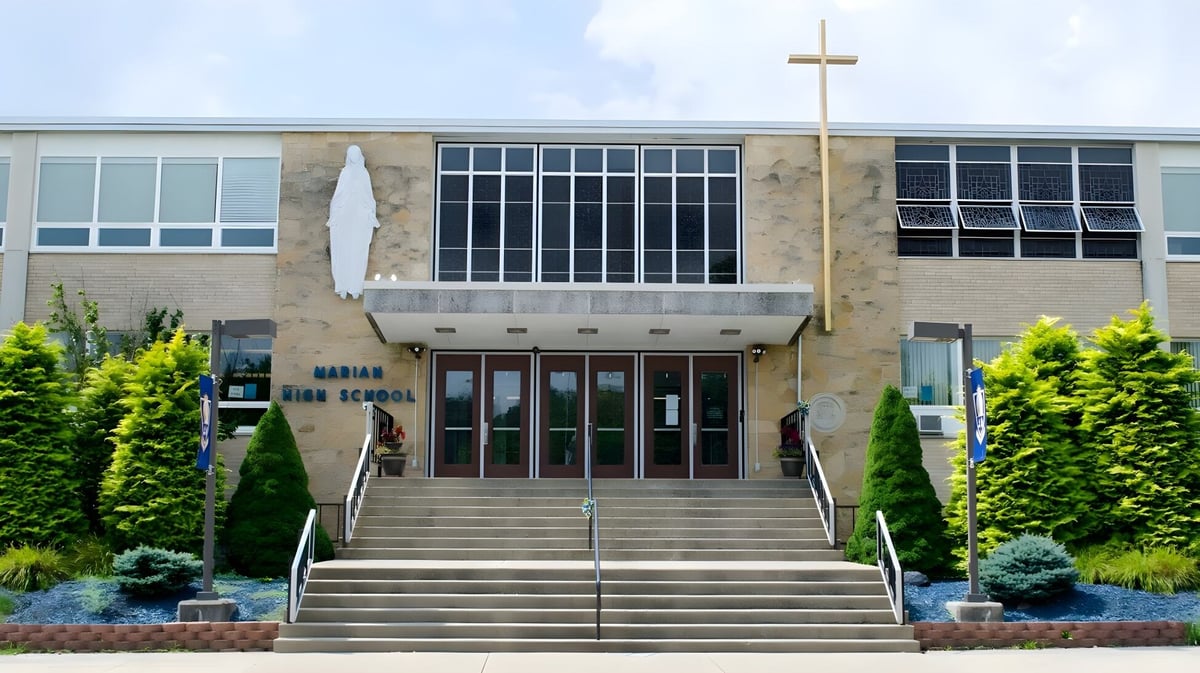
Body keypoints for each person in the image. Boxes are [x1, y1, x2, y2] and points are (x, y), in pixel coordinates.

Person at [327, 145, 379, 299]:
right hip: (345, 218)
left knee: (358, 251)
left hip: (359, 219)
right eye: (352, 154)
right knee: (342, 251)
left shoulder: (364, 174)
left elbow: (369, 197)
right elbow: (338, 197)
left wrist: (370, 212)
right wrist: (335, 213)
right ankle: (342, 285)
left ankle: (355, 286)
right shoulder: (345, 173)